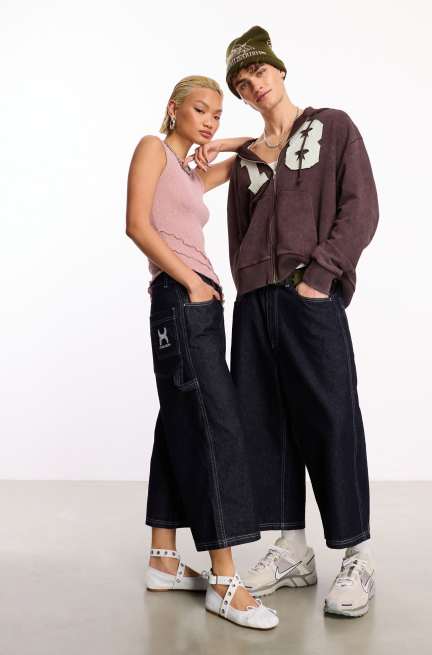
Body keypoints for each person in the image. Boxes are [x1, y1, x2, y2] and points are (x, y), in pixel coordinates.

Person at [221, 25, 379, 617]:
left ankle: (357, 555)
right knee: (267, 423)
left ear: (279, 71)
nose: (254, 85)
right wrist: (246, 286)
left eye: (259, 72)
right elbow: (238, 231)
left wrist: (322, 275)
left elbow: (360, 207)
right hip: (256, 305)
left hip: (309, 295)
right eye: (242, 83)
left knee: (332, 418)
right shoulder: (246, 160)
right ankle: (292, 549)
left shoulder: (332, 127)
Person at [125, 74, 279, 629]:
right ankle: (225, 580)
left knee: (178, 421)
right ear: (173, 108)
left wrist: (223, 143)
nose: (210, 120)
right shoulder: (152, 149)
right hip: (181, 299)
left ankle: (164, 559)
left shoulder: (190, 173)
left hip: (199, 304)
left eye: (217, 113)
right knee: (217, 426)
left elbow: (252, 155)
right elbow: (137, 225)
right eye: (200, 110)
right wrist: (190, 282)